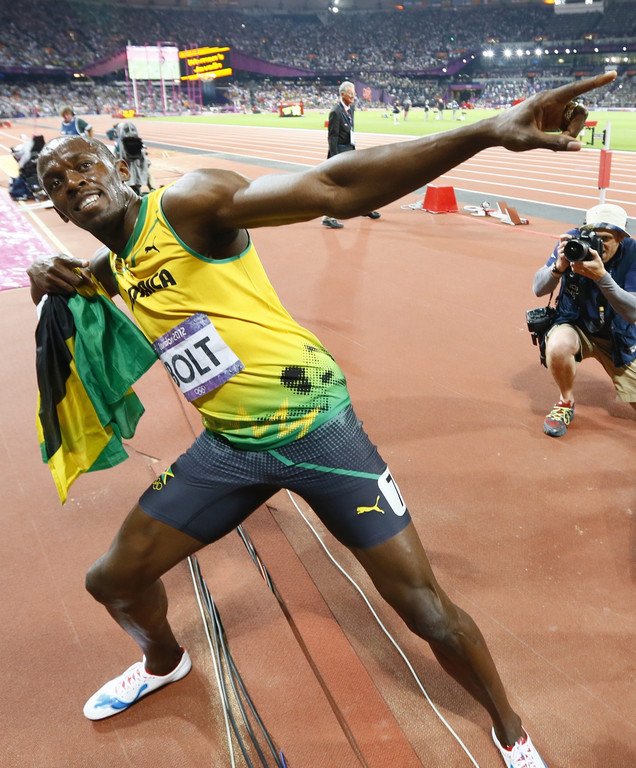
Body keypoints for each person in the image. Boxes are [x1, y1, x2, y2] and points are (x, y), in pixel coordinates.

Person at [28, 72, 613, 768]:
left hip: (319, 431)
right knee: (111, 581)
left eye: (84, 165)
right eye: (57, 182)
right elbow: (94, 275)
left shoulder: (188, 205)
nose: (73, 183)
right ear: (57, 208)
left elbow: (334, 186)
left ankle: (511, 731)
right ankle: (164, 662)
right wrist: (43, 273)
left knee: (426, 610)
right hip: (232, 447)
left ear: (122, 168)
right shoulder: (113, 262)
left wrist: (485, 131)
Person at [533, 202, 636, 437]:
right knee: (558, 344)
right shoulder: (572, 243)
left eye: (606, 238)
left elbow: (632, 312)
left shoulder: (633, 253)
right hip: (576, 326)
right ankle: (565, 401)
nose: (597, 245)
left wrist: (602, 277)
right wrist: (558, 267)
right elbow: (538, 288)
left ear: (621, 237)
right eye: (593, 236)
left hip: (617, 335)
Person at [322, 81, 380, 229]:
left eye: (354, 93)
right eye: (350, 94)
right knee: (338, 186)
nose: (354, 96)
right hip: (340, 154)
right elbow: (332, 138)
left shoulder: (351, 109)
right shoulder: (335, 112)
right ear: (342, 95)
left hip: (350, 151)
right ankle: (328, 217)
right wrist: (335, 159)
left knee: (360, 180)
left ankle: (364, 208)